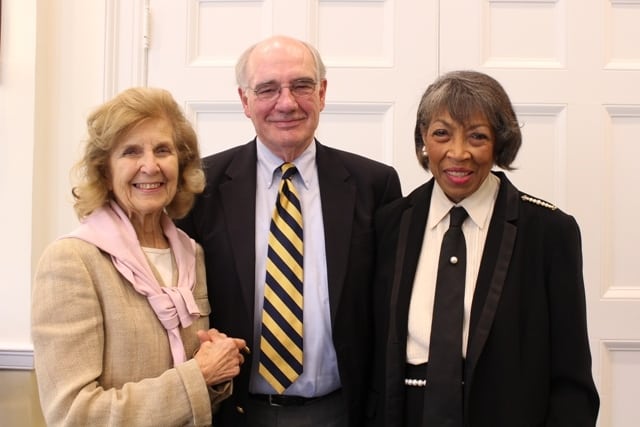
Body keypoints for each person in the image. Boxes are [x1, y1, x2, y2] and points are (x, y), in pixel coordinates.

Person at [175, 35, 402, 427]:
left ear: (323, 93)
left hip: (342, 410)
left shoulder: (373, 184)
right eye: (267, 89)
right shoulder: (199, 188)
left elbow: (390, 307)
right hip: (235, 410)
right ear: (245, 101)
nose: (287, 102)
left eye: (301, 85)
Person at [368, 70, 599, 426]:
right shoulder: (388, 225)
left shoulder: (549, 232)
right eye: (442, 134)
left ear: (500, 144)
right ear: (424, 141)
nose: (458, 154)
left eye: (477, 136)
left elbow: (572, 381)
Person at [31, 87, 247, 427]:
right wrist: (199, 375)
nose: (150, 165)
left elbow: (196, 386)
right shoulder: (72, 261)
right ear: (104, 171)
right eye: (131, 152)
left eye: (163, 150)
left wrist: (218, 371)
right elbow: (74, 415)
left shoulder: (192, 255)